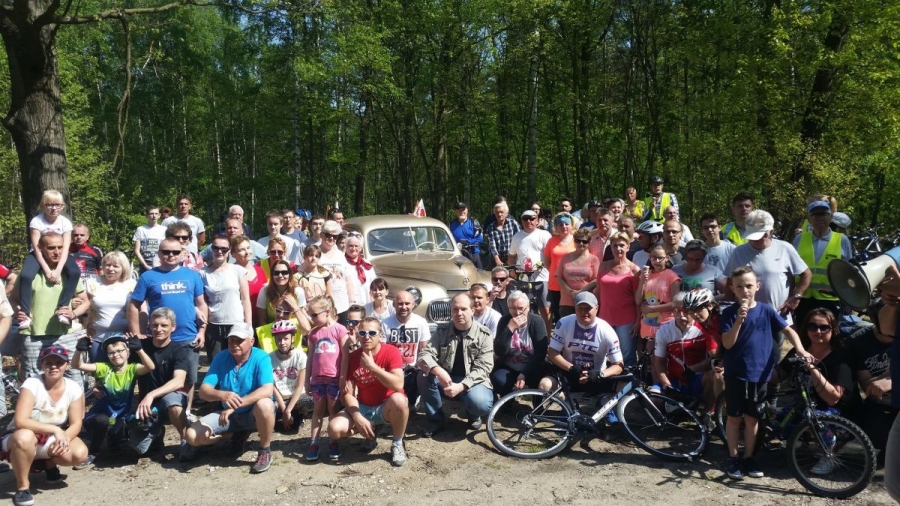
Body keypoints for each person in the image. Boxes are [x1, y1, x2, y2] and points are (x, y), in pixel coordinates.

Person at [721, 266, 811, 480]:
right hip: (735, 373)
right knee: (734, 417)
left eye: (749, 285)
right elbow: (727, 343)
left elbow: (787, 330)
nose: (745, 290)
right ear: (733, 289)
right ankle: (733, 458)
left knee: (753, 418)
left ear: (757, 287)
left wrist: (800, 348)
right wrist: (739, 321)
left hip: (760, 373)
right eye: (739, 286)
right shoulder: (728, 313)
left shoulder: (766, 310)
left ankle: (749, 457)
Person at [128, 236, 209, 418]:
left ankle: (186, 411)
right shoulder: (148, 276)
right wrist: (137, 333)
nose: (170, 255)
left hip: (188, 336)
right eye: (166, 252)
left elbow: (201, 304)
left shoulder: (192, 275)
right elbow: (133, 305)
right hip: (158, 337)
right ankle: (153, 412)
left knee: (188, 378)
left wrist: (202, 331)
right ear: (159, 254)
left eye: (175, 252)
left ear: (183, 254)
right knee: (154, 376)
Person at [184, 323, 276, 474]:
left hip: (252, 413)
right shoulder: (221, 357)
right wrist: (222, 395)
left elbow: (267, 389)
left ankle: (265, 450)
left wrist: (235, 406)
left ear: (251, 341)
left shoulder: (261, 357)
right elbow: (204, 391)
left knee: (265, 404)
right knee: (192, 436)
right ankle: (231, 436)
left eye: (239, 340)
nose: (234, 344)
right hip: (227, 415)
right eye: (231, 340)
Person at [2, 347, 87, 506]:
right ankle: (23, 487)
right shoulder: (32, 383)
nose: (53, 366)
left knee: (79, 453)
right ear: (42, 365)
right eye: (48, 363)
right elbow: (20, 421)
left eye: (59, 362)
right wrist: (55, 430)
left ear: (67, 365)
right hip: (21, 436)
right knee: (25, 437)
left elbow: (76, 422)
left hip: (49, 438)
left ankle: (48, 463)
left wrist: (64, 440)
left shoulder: (73, 387)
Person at [781, 309, 861, 475]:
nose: (818, 331)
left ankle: (830, 454)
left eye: (824, 327)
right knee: (776, 419)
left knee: (812, 417)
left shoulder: (841, 356)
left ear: (833, 329)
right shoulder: (801, 350)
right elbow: (778, 374)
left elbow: (833, 398)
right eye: (813, 326)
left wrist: (811, 368)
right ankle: (806, 444)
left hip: (840, 414)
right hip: (806, 406)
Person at [328, 317, 409, 466]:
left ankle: (397, 443)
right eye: (362, 333)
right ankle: (370, 433)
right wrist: (357, 417)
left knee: (400, 400)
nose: (367, 337)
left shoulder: (391, 351)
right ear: (358, 335)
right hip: (364, 407)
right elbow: (348, 394)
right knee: (334, 429)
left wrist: (373, 367)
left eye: (372, 333)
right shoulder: (353, 357)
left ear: (380, 335)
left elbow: (398, 384)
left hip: (386, 406)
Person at [10, 233, 90, 383]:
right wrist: (19, 313)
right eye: (51, 248)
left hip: (65, 335)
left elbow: (86, 302)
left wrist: (73, 313)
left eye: (60, 247)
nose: (57, 252)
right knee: (33, 382)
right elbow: (13, 299)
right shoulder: (28, 275)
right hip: (33, 335)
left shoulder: (68, 274)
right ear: (40, 248)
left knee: (74, 379)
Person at [72, 334, 154, 469]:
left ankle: (112, 441)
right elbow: (76, 365)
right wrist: (79, 349)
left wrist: (139, 350)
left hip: (120, 416)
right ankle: (93, 453)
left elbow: (150, 367)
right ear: (107, 356)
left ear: (128, 352)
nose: (116, 355)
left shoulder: (132, 369)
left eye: (119, 351)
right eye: (111, 353)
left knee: (121, 431)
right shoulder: (104, 368)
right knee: (102, 421)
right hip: (99, 415)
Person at [418, 293, 494, 436]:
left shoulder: (485, 335)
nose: (459, 313)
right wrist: (438, 370)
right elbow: (425, 355)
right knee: (423, 375)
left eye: (463, 309)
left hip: (474, 381)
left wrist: (462, 386)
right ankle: (436, 420)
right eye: (455, 309)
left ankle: (473, 415)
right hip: (447, 378)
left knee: (481, 404)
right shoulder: (442, 331)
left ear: (472, 310)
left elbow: (484, 368)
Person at [724, 209, 811, 327]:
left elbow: (806, 274)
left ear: (770, 232)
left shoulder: (785, 248)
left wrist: (796, 296)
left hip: (780, 316)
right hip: (747, 317)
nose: (755, 240)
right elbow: (730, 283)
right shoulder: (738, 252)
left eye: (759, 236)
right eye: (752, 237)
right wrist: (728, 310)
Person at [539, 292, 625, 413]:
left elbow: (619, 365)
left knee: (624, 386)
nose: (584, 312)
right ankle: (565, 403)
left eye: (588, 308)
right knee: (545, 384)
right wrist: (571, 368)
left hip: (596, 376)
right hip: (570, 372)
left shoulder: (606, 330)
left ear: (596, 308)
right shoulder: (564, 323)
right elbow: (552, 353)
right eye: (580, 308)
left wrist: (599, 375)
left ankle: (605, 404)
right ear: (575, 308)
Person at [131, 307, 193, 461]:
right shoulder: (140, 347)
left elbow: (179, 381)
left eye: (164, 325)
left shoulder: (178, 350)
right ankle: (157, 432)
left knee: (172, 402)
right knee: (139, 449)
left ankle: (185, 439)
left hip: (170, 399)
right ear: (150, 326)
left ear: (173, 327)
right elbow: (120, 367)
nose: (159, 329)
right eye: (155, 325)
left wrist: (151, 395)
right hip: (148, 406)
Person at [16, 190, 82, 330]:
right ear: (42, 205)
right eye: (49, 204)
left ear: (62, 206)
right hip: (38, 253)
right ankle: (26, 314)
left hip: (61, 253)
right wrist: (47, 271)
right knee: (26, 276)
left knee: (75, 272)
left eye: (57, 205)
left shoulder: (65, 223)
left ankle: (63, 308)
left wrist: (58, 270)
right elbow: (37, 248)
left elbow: (65, 248)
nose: (53, 208)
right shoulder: (37, 221)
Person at [652, 293, 718, 419]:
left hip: (697, 378)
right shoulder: (664, 330)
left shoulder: (703, 327)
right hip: (674, 381)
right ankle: (675, 413)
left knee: (714, 375)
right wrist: (667, 385)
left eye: (686, 311)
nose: (681, 315)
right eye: (677, 310)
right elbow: (659, 362)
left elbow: (714, 357)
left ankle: (707, 413)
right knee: (652, 399)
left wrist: (693, 369)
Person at [791, 200, 852, 325]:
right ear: (809, 218)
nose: (819, 218)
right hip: (803, 298)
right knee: (803, 332)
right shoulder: (799, 239)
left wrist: (847, 301)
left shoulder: (842, 240)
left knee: (827, 332)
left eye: (824, 214)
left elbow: (848, 271)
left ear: (831, 217)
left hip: (830, 299)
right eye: (815, 215)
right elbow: (791, 269)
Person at [305, 296, 349, 461]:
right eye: (311, 315)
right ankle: (314, 442)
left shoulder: (340, 330)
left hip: (334, 378)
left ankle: (333, 441)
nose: (312, 319)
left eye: (315, 315)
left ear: (327, 311)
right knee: (317, 411)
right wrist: (307, 380)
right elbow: (310, 357)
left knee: (333, 410)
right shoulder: (313, 333)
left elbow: (345, 356)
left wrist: (343, 377)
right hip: (317, 379)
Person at [847, 314, 895, 458]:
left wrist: (891, 379)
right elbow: (870, 388)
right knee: (876, 432)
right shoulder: (859, 341)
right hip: (880, 401)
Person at [201, 235, 253, 362]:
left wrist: (249, 326)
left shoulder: (238, 270)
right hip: (214, 325)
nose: (220, 251)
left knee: (238, 361)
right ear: (211, 249)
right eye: (216, 248)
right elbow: (202, 303)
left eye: (224, 249)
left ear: (229, 250)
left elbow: (246, 300)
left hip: (236, 324)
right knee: (216, 362)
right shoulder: (202, 273)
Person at [595, 232, 641, 368]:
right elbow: (598, 292)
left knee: (627, 356)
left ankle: (629, 380)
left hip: (626, 320)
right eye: (615, 245)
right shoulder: (603, 266)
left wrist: (638, 321)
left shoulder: (634, 270)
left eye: (622, 245)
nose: (618, 249)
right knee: (604, 354)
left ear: (628, 247)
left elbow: (638, 299)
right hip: (604, 318)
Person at [381, 290, 431, 408]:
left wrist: (422, 369)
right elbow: (382, 351)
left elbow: (424, 351)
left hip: (413, 368)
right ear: (394, 304)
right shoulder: (385, 323)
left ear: (413, 304)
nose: (404, 307)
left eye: (407, 303)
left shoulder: (421, 322)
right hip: (393, 369)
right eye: (400, 304)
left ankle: (416, 395)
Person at [492, 291, 548, 396]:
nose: (517, 313)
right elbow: (499, 351)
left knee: (538, 376)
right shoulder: (504, 321)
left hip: (532, 366)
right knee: (498, 379)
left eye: (521, 308)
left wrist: (524, 374)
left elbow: (541, 352)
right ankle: (508, 403)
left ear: (528, 308)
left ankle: (537, 403)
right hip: (510, 366)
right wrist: (510, 329)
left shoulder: (537, 322)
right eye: (513, 308)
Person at [84, 251, 136, 362]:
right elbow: (84, 306)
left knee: (122, 371)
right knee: (98, 370)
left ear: (123, 268)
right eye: (108, 265)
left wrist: (135, 331)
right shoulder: (92, 283)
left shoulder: (132, 284)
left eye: (115, 266)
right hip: (97, 337)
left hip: (124, 338)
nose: (110, 269)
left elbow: (138, 310)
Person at [635, 244, 682, 358]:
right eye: (654, 257)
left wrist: (652, 309)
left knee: (664, 358)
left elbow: (676, 303)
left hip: (665, 323)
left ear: (667, 258)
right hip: (648, 323)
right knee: (650, 358)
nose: (656, 261)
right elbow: (638, 301)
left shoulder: (671, 276)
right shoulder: (645, 275)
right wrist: (642, 281)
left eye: (660, 258)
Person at [508, 209, 552, 327]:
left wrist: (543, 266)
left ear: (537, 221)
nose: (529, 221)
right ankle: (525, 334)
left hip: (543, 277)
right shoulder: (517, 237)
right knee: (522, 309)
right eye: (525, 219)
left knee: (545, 309)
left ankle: (547, 337)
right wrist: (511, 270)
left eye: (532, 218)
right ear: (521, 221)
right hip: (523, 278)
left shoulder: (544, 235)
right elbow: (511, 256)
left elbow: (550, 255)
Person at [269, 320, 312, 433]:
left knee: (311, 400)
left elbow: (300, 386)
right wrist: (284, 409)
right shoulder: (269, 359)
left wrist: (288, 410)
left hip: (297, 398)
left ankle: (299, 416)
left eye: (286, 339)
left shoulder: (300, 356)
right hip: (280, 399)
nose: (282, 342)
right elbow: (272, 387)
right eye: (279, 339)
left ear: (292, 338)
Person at [555, 228, 600, 317]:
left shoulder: (594, 259)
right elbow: (559, 277)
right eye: (578, 241)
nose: (581, 243)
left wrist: (580, 292)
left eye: (584, 241)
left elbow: (596, 280)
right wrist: (570, 292)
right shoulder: (565, 257)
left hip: (586, 302)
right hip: (567, 301)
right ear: (574, 241)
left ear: (589, 242)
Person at [256, 259, 310, 328]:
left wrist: (294, 306)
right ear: (272, 275)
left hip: (294, 330)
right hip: (271, 330)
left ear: (290, 274)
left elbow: (303, 321)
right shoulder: (264, 291)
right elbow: (262, 321)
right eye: (276, 273)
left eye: (284, 272)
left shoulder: (298, 291)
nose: (280, 275)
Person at [319, 220, 356, 319]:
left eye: (335, 236)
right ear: (321, 235)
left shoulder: (340, 255)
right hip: (323, 305)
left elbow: (348, 279)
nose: (331, 238)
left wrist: (352, 301)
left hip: (342, 305)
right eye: (328, 235)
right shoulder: (315, 254)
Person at [543, 213, 576, 322]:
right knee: (557, 313)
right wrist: (555, 272)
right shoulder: (551, 241)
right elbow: (547, 261)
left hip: (571, 283)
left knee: (572, 313)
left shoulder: (577, 240)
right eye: (560, 224)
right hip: (555, 283)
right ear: (556, 227)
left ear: (571, 225)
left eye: (567, 224)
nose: (564, 227)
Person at [231, 236, 267, 326]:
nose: (247, 252)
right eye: (242, 250)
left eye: (248, 248)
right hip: (238, 322)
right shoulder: (230, 272)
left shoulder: (259, 270)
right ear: (233, 254)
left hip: (260, 321)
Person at [200, 218, 267, 264]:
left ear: (242, 231)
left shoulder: (253, 245)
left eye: (235, 228)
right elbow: (199, 258)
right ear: (225, 231)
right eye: (229, 228)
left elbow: (268, 259)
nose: (232, 230)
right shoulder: (217, 246)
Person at [484, 201, 521, 268]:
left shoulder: (513, 224)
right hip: (497, 259)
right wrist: (497, 260)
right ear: (494, 214)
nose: (499, 214)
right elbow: (492, 245)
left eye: (501, 212)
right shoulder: (490, 227)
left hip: (513, 257)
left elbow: (519, 240)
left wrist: (512, 257)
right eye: (497, 212)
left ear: (506, 213)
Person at [133, 205, 168, 274]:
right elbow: (136, 250)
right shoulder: (141, 229)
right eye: (151, 214)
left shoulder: (164, 229)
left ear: (159, 215)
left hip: (160, 263)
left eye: (156, 213)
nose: (154, 216)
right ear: (146, 216)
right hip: (145, 263)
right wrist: (145, 265)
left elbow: (167, 248)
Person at [449, 202, 483, 269]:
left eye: (463, 210)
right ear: (455, 212)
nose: (461, 212)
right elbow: (447, 239)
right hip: (458, 255)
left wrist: (468, 242)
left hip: (473, 254)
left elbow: (480, 238)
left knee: (480, 274)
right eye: (459, 210)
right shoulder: (451, 224)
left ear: (467, 210)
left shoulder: (474, 223)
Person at [345, 235, 375, 305]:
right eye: (351, 246)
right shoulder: (342, 263)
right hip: (351, 304)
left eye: (356, 246)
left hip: (367, 302)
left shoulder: (366, 263)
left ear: (360, 248)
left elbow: (373, 284)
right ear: (346, 247)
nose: (353, 248)